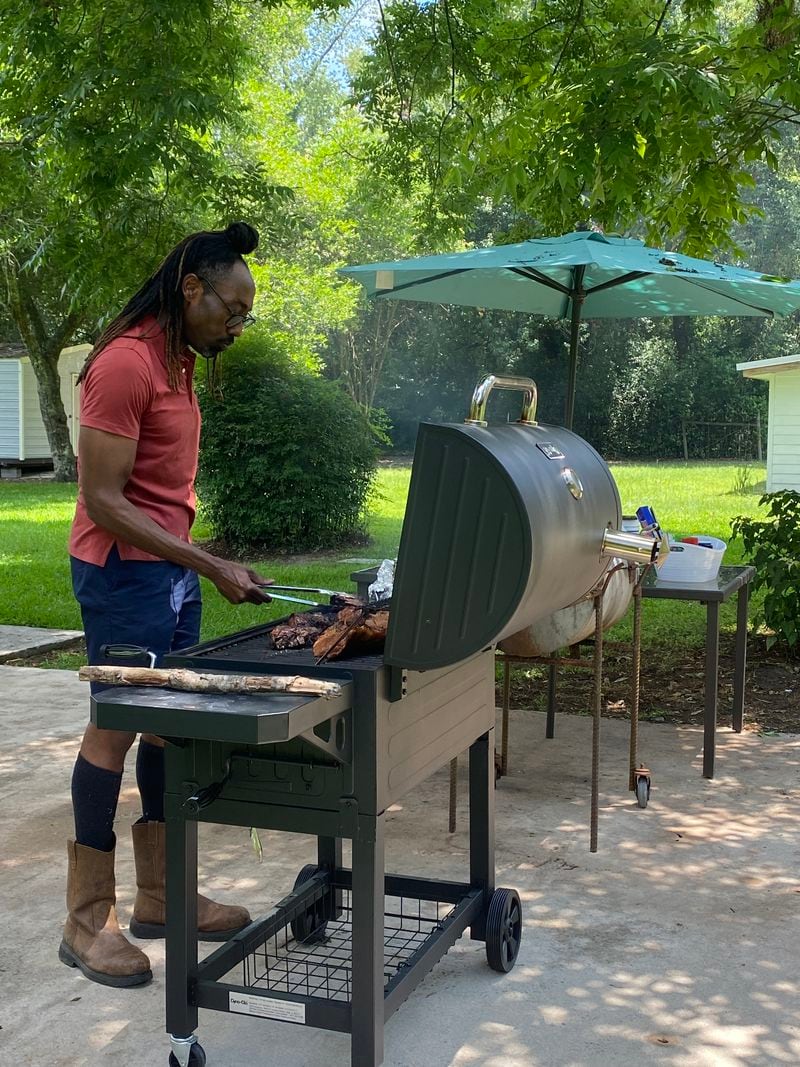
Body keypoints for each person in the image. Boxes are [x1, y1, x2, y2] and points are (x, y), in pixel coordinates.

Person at [60, 222, 274, 989]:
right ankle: (87, 921)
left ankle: (160, 893)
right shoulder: (125, 364)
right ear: (193, 289)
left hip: (170, 576)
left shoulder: (180, 361)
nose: (238, 324)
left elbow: (159, 487)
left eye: (247, 313)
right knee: (112, 730)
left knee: (166, 724)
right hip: (125, 576)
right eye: (233, 308)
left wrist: (199, 561)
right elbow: (104, 500)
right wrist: (207, 561)